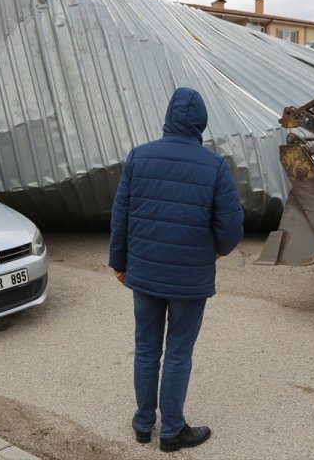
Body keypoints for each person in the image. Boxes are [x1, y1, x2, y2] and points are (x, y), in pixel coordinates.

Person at [109, 86, 244, 453]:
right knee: (179, 352)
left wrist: (119, 264)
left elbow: (120, 215)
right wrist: (215, 251)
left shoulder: (139, 157)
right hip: (190, 278)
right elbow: (232, 229)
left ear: (168, 117)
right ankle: (171, 430)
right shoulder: (214, 166)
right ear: (201, 123)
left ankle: (142, 423)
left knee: (146, 348)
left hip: (146, 275)